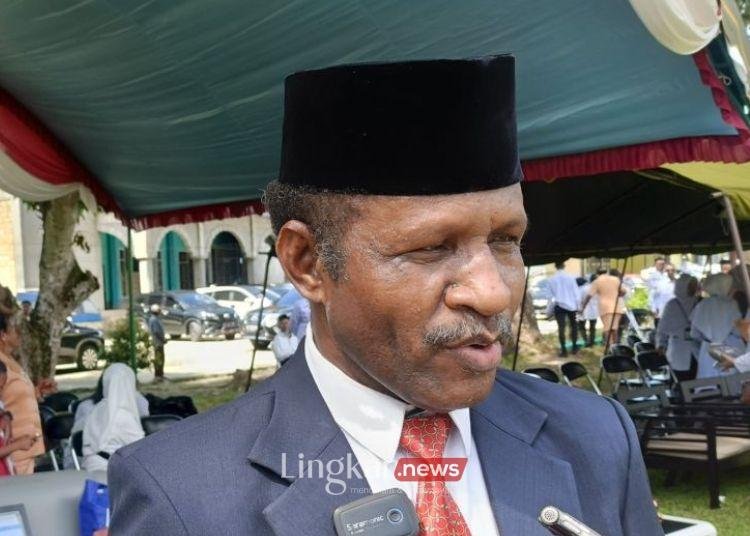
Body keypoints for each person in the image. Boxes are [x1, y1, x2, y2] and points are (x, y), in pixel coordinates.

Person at [109, 57, 661, 535]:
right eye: (430, 248)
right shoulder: (182, 494)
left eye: (506, 241)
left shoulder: (595, 438)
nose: (493, 293)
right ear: (308, 263)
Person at [82, 363, 145, 472]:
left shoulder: (98, 408)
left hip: (92, 466)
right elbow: (141, 449)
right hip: (110, 471)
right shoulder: (122, 415)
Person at [0, 314, 43, 474]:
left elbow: (15, 395)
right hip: (13, 445)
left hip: (26, 443)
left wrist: (37, 392)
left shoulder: (10, 359)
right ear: (3, 335)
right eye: (13, 328)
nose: (18, 332)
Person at [690, 273, 744, 378]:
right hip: (730, 351)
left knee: (709, 383)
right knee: (731, 384)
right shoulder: (732, 304)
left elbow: (694, 334)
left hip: (708, 352)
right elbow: (738, 332)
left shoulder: (702, 304)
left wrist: (709, 339)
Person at [656, 274, 700, 382]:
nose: (695, 288)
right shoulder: (672, 305)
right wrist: (661, 344)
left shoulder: (700, 302)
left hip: (698, 349)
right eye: (691, 286)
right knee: (680, 381)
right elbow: (662, 329)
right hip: (678, 350)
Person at [581, 268, 626, 348]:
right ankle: (616, 346)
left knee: (607, 329)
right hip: (616, 306)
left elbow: (589, 296)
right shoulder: (615, 279)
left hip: (605, 307)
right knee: (615, 328)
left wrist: (583, 307)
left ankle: (610, 346)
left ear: (597, 274)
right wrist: (617, 295)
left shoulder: (597, 281)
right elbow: (623, 291)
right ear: (607, 272)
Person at [546, 261, 580, 356]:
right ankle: (574, 348)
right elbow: (576, 294)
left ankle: (564, 350)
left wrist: (548, 311)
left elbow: (549, 297)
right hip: (572, 306)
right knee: (574, 326)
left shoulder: (551, 279)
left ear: (555, 266)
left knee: (561, 327)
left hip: (559, 305)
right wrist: (579, 307)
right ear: (564, 266)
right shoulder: (571, 278)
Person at [147, 304, 167, 382]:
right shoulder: (154, 320)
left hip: (157, 342)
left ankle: (160, 374)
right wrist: (163, 339)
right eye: (159, 310)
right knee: (159, 359)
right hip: (158, 342)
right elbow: (156, 331)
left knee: (159, 358)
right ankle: (159, 375)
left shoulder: (154, 319)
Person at [578, 274, 599, 347]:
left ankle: (586, 341)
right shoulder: (598, 289)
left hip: (583, 310)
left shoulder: (583, 288)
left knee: (581, 326)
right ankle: (592, 342)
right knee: (592, 327)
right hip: (594, 310)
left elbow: (579, 300)